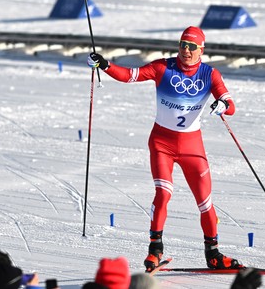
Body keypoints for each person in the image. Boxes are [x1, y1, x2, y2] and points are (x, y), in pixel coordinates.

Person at [87, 26, 241, 272]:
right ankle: (154, 251)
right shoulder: (163, 67)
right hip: (162, 143)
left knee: (205, 202)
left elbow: (230, 103)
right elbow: (129, 75)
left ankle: (212, 253)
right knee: (163, 193)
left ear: (202, 49)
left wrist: (223, 105)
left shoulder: (210, 74)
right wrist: (104, 65)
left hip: (192, 146)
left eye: (192, 46)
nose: (186, 50)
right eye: (183, 44)